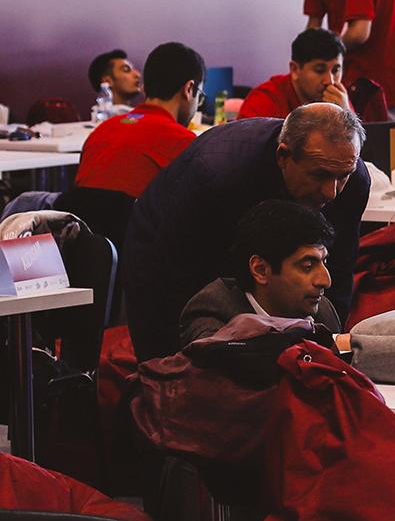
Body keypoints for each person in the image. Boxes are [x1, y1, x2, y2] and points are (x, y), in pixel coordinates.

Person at [124, 105, 370, 361]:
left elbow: (339, 271)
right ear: (283, 156)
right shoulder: (219, 174)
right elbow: (175, 275)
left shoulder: (353, 179)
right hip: (164, 239)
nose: (332, 192)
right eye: (319, 175)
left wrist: (333, 355)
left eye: (343, 176)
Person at [179, 199, 345, 346]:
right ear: (261, 270)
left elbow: (343, 362)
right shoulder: (213, 313)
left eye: (324, 262)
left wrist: (353, 346)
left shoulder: (322, 309)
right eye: (308, 266)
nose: (326, 281)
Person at [72, 41, 204, 199]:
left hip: (80, 215)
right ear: (189, 89)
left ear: (144, 87)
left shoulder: (102, 130)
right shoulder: (184, 142)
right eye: (200, 96)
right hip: (138, 215)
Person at [237, 27, 377, 121]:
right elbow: (242, 149)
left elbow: (359, 151)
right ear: (295, 70)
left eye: (335, 70)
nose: (330, 81)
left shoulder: (339, 99)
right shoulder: (265, 100)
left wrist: (347, 117)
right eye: (319, 70)